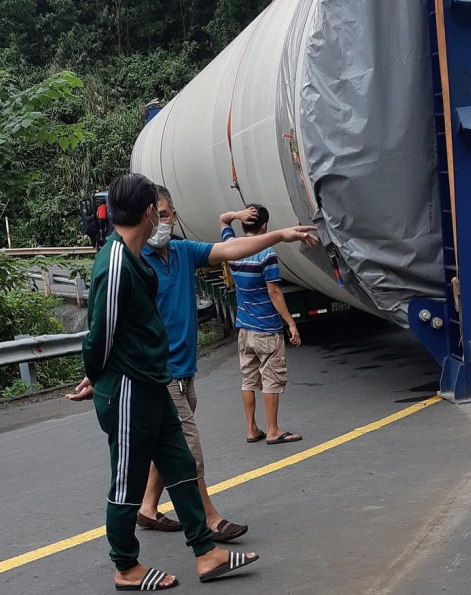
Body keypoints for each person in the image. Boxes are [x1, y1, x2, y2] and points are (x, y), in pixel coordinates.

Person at [70, 173, 265, 589]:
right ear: (147, 212)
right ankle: (125, 566)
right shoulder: (117, 263)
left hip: (153, 382)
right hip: (128, 388)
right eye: (157, 212)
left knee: (180, 464)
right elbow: (99, 334)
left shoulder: (135, 256)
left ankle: (206, 553)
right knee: (128, 480)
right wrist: (97, 377)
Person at [135, 186, 315, 542]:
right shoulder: (136, 262)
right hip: (160, 374)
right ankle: (209, 519)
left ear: (175, 217)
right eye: (152, 215)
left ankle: (147, 507)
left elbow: (231, 249)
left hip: (185, 372)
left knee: (167, 442)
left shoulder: (184, 252)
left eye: (165, 214)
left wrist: (281, 234)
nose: (159, 222)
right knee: (187, 449)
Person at [220, 204, 304, 446]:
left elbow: (223, 220)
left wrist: (236, 214)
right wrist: (291, 323)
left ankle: (251, 429)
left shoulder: (232, 247)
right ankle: (273, 430)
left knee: (248, 379)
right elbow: (274, 293)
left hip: (244, 328)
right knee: (271, 379)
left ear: (244, 223)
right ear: (265, 227)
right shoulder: (266, 254)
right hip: (266, 328)